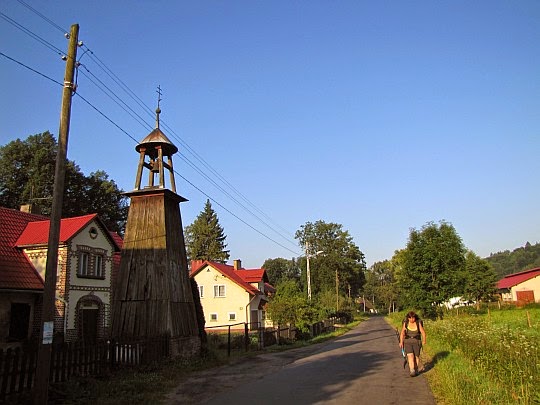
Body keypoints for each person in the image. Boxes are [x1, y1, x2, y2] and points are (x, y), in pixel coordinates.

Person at [399, 311, 426, 377]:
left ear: (415, 317)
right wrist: (401, 342)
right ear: (408, 318)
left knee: (416, 356)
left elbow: (423, 332)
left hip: (417, 342)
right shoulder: (406, 323)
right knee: (410, 356)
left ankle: (416, 369)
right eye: (410, 318)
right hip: (407, 341)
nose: (412, 319)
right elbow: (402, 333)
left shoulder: (418, 323)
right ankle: (412, 370)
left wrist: (424, 340)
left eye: (413, 318)